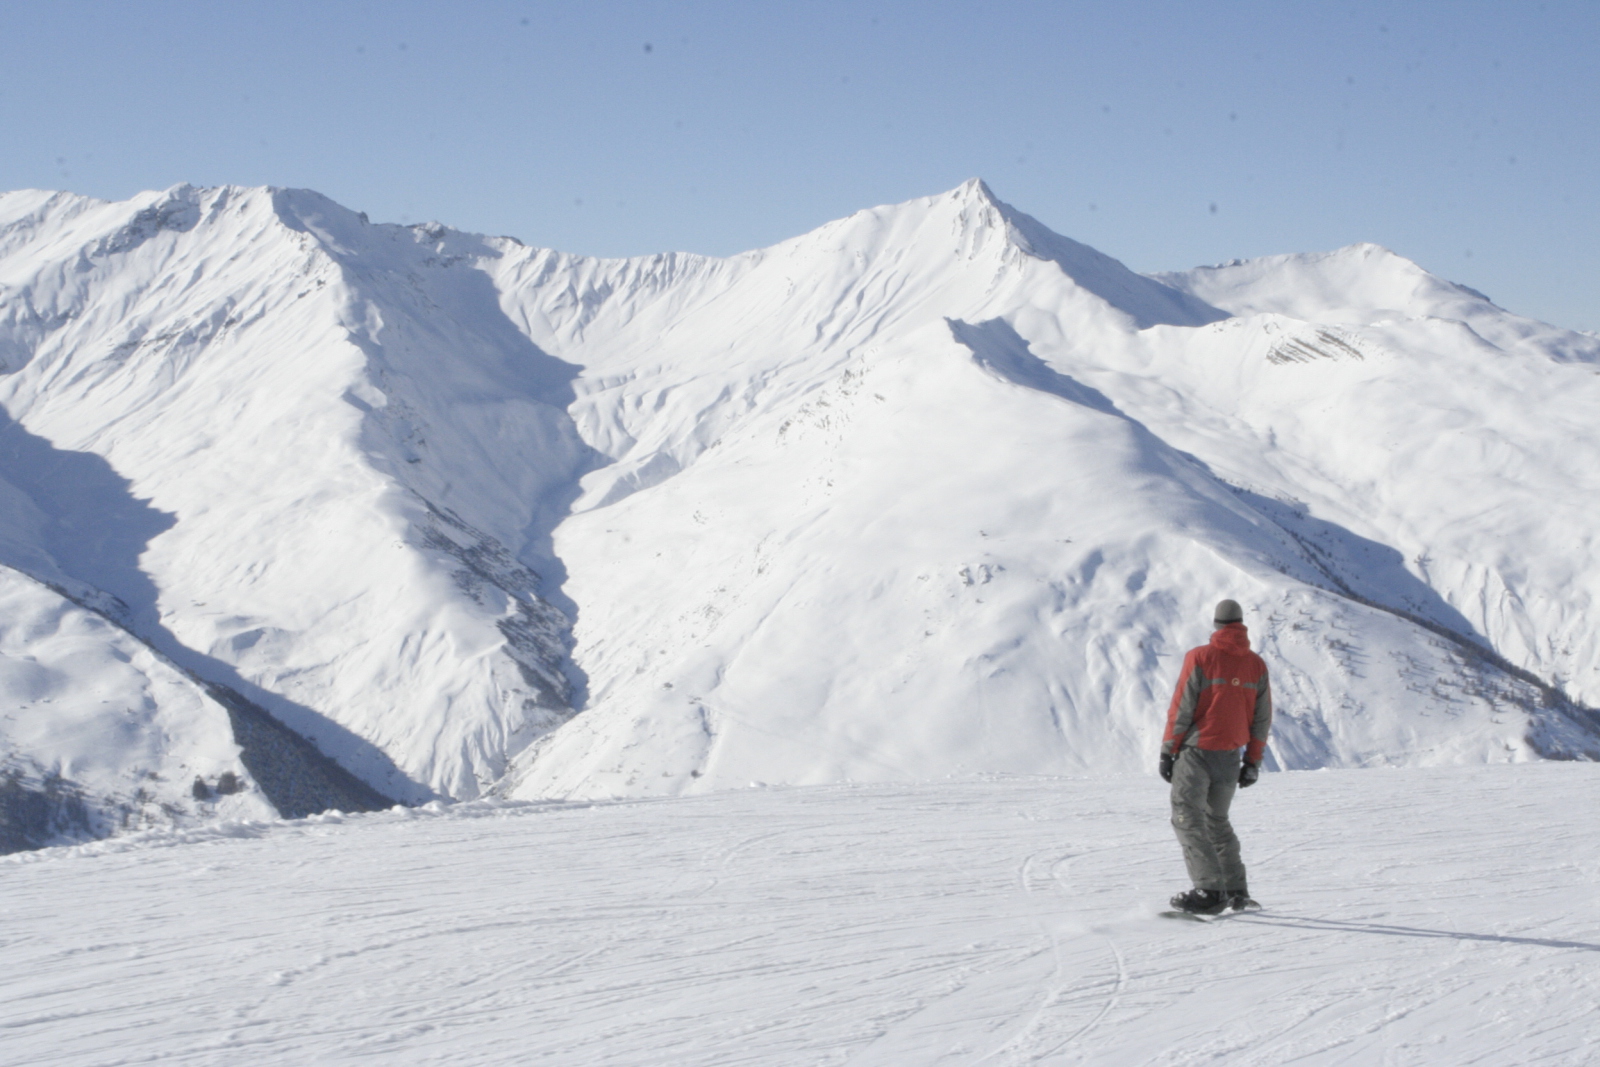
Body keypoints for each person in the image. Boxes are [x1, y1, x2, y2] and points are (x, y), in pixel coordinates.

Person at [1159, 598, 1273, 914]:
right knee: (1216, 820)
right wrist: (1252, 761)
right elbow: (1262, 718)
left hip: (1196, 753)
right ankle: (1235, 891)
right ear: (1241, 626)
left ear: (1216, 625)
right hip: (1230, 757)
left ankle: (1209, 891)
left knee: (1187, 818)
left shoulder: (1200, 657)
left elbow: (1182, 707)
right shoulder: (1256, 665)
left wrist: (1168, 751)